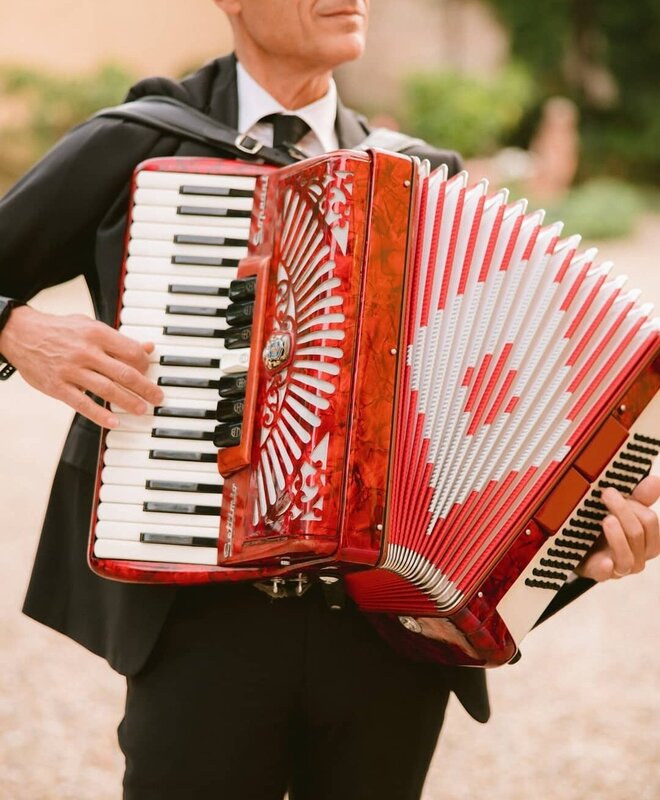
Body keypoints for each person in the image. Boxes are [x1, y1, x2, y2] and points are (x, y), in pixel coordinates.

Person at [0, 2, 658, 798]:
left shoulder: (422, 175)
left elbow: (501, 418)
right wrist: (18, 329)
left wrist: (587, 534)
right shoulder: (141, 141)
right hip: (204, 627)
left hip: (389, 633)